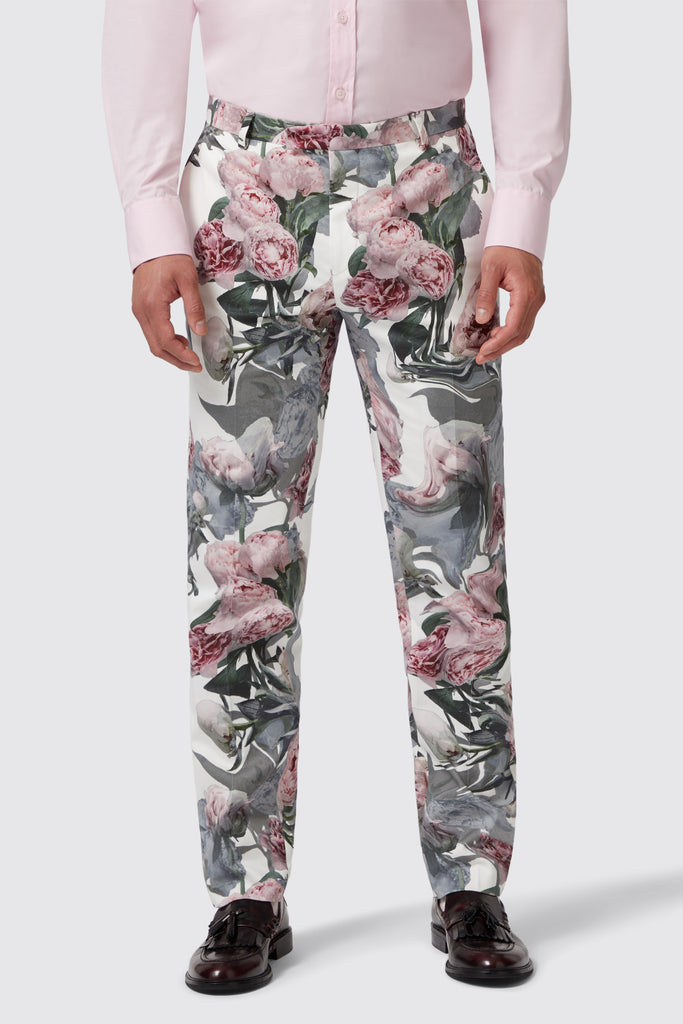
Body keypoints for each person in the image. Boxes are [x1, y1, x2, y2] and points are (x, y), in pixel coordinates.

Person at [101, 0, 571, 993]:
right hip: (244, 188)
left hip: (429, 181)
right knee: (237, 561)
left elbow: (525, 12)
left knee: (458, 560)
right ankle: (245, 889)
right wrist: (149, 221)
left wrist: (522, 211)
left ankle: (470, 880)